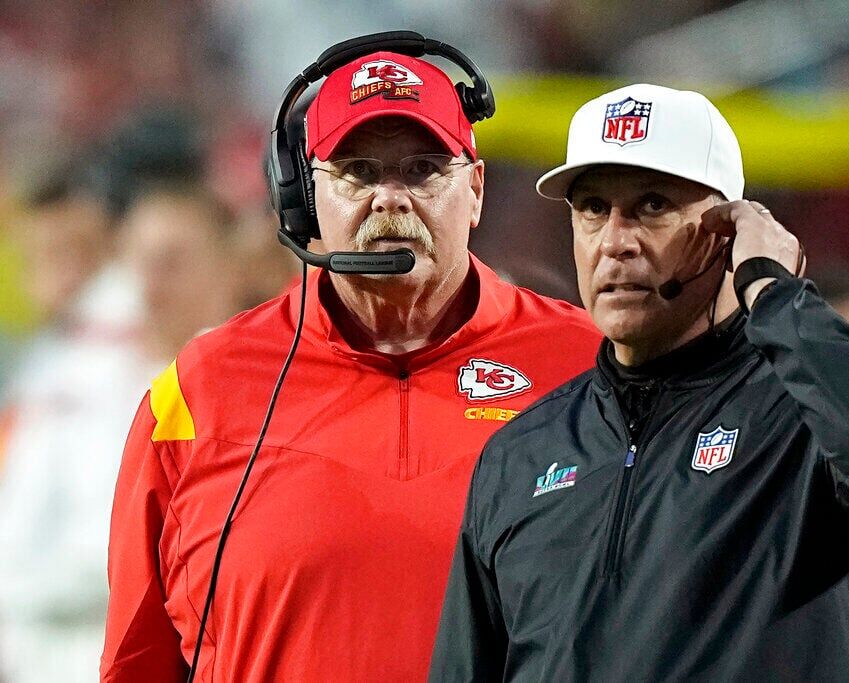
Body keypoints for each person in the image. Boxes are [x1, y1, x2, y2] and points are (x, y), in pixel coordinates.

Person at [429, 84, 849, 681]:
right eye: (591, 209)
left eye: (653, 205)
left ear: (730, 230)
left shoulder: (806, 413)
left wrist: (773, 292)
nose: (615, 242)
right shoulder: (522, 451)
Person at [100, 45, 601, 682]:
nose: (390, 199)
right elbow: (136, 663)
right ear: (306, 199)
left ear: (475, 191)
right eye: (358, 172)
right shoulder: (198, 392)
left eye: (423, 169)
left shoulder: (589, 366)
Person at [0, 183, 237, 683]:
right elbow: (15, 535)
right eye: (142, 261)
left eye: (173, 261)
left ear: (225, 265)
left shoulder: (251, 390)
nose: (153, 283)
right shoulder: (68, 383)